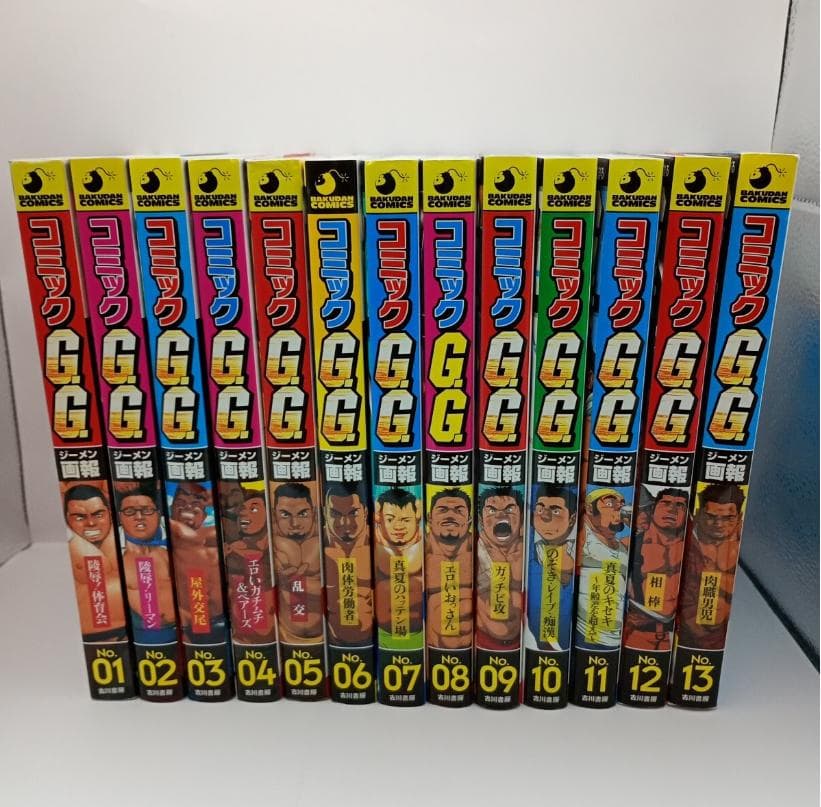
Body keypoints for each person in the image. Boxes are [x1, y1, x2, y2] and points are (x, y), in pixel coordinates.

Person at [676, 483, 744, 650]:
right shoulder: (681, 541)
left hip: (719, 639)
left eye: (728, 518)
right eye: (711, 516)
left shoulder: (738, 543)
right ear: (698, 514)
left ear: (739, 517)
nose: (718, 524)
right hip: (684, 633)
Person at [623, 487, 689, 651]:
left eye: (680, 506)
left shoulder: (692, 550)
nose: (672, 510)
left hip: (674, 638)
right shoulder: (628, 545)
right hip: (635, 635)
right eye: (665, 503)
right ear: (654, 509)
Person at [167, 482, 227, 644]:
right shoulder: (172, 529)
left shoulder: (216, 532)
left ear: (205, 515)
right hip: (190, 621)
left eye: (195, 505)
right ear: (171, 509)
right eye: (180, 503)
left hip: (225, 617)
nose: (187, 507)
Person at [116, 482, 177, 644]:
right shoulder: (114, 555)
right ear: (120, 517)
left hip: (184, 632)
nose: (139, 517)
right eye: (130, 511)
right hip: (143, 636)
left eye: (147, 510)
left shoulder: (175, 545)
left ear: (158, 513)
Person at [64, 484, 127, 641]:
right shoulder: (67, 541)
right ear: (67, 518)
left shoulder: (127, 532)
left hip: (133, 632)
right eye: (80, 517)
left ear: (109, 513)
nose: (91, 523)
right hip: (91, 637)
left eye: (98, 515)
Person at [575, 487, 630, 650]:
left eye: (621, 505)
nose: (618, 509)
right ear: (590, 509)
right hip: (587, 634)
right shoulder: (584, 536)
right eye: (610, 503)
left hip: (615, 637)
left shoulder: (623, 546)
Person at [223, 487, 277, 644]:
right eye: (242, 509)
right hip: (242, 631)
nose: (244, 513)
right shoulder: (230, 550)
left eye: (253, 509)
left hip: (277, 631)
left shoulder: (278, 548)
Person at [270, 482, 323, 644]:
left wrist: (291, 582)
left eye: (303, 514)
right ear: (274, 514)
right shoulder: (267, 543)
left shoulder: (328, 540)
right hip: (282, 636)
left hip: (329, 636)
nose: (295, 524)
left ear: (313, 512)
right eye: (285, 515)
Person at [526, 484, 576, 650]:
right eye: (540, 509)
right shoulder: (527, 548)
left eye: (555, 511)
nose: (545, 517)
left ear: (572, 519)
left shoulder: (583, 550)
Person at [322, 482, 373, 646]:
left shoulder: (380, 544)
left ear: (365, 512)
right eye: (335, 514)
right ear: (325, 513)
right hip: (329, 643)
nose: (345, 523)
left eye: (353, 513)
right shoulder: (316, 545)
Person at [475, 487, 524, 649]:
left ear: (522, 517)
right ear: (481, 520)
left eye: (510, 509)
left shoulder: (531, 552)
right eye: (491, 510)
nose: (501, 515)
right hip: (481, 642)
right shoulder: (474, 553)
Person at [373, 488, 423, 647]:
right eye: (390, 519)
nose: (398, 527)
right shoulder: (371, 546)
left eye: (406, 520)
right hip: (379, 635)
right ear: (379, 517)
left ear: (417, 516)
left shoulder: (428, 547)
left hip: (422, 634)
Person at [425, 488, 473, 650]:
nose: (450, 515)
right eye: (442, 510)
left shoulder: (482, 550)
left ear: (469, 520)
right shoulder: (416, 551)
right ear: (429, 518)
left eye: (459, 511)